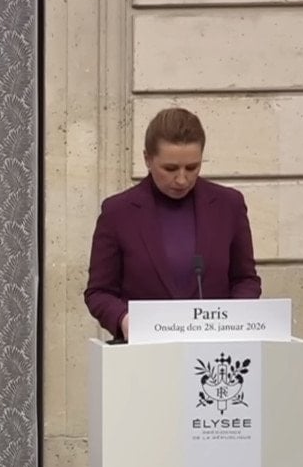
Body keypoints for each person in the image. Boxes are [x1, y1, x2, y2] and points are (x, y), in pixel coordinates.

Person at [84, 107, 261, 341]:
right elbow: (99, 292)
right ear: (147, 159)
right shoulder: (118, 212)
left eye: (192, 167)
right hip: (144, 351)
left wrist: (234, 319)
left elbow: (245, 279)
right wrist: (123, 319)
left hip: (215, 349)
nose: (181, 179)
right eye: (170, 169)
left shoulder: (229, 205)